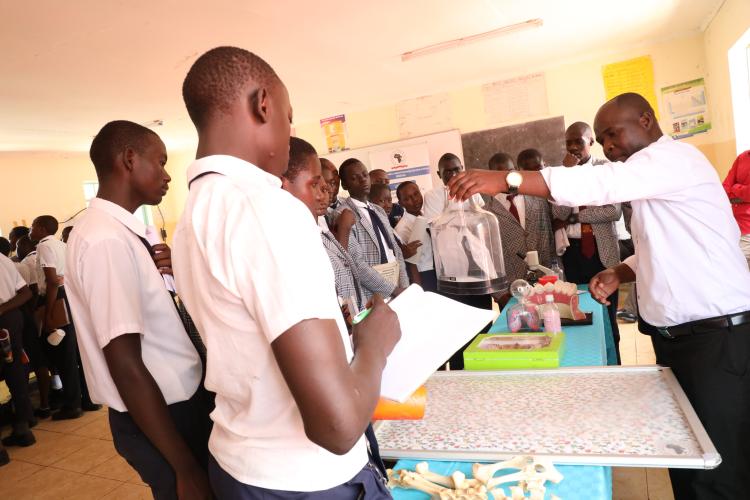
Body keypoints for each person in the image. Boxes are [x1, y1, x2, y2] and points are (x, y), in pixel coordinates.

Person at [448, 92, 750, 499]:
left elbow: (601, 183)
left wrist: (507, 179)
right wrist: (619, 271)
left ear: (645, 120)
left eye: (612, 134)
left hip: (716, 341)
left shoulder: (671, 160)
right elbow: (662, 246)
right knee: (689, 460)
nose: (608, 146)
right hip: (680, 340)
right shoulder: (652, 177)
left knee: (718, 468)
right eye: (604, 139)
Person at [173, 46, 400, 498]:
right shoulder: (266, 208)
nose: (290, 130)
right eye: (288, 116)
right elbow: (336, 426)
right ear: (264, 104)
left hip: (242, 466)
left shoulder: (194, 213)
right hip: (305, 478)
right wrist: (376, 344)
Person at [65, 120, 210, 500]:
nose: (167, 176)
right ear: (129, 159)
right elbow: (126, 364)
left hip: (174, 405)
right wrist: (185, 466)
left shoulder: (121, 234)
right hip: (164, 415)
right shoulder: (104, 240)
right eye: (159, 163)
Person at [552, 121, 622, 361]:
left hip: (603, 254)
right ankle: (588, 362)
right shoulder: (562, 172)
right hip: (573, 253)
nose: (572, 147)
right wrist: (566, 175)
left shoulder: (605, 168)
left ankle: (614, 364)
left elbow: (613, 211)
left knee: (608, 313)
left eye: (578, 142)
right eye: (568, 142)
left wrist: (576, 215)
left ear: (591, 142)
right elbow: (558, 216)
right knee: (579, 312)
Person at [29, 215, 90, 420]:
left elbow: (52, 280)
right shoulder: (62, 245)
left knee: (63, 355)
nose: (30, 231)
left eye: (33, 226)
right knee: (73, 352)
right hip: (68, 294)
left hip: (55, 298)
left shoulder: (44, 246)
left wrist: (48, 313)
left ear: (42, 228)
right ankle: (85, 399)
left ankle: (72, 405)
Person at [335, 158, 410, 295]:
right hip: (372, 294)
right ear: (345, 185)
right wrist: (393, 290)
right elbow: (357, 263)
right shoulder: (343, 214)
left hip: (398, 285)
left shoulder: (379, 210)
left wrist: (404, 286)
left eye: (365, 175)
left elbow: (396, 251)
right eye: (354, 178)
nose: (363, 180)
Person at [14, 235, 53, 417]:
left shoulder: (20, 264)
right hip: (25, 316)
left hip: (14, 317)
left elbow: (32, 292)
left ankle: (23, 413)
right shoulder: (14, 265)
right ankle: (43, 404)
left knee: (15, 366)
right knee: (37, 360)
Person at [0, 253, 36, 449]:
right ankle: (23, 428)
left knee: (15, 372)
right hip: (12, 318)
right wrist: (5, 309)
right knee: (15, 373)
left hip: (4, 318)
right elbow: (25, 292)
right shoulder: (4, 260)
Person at [394, 181, 436, 291]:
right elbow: (410, 263)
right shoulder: (402, 228)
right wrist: (418, 288)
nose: (414, 200)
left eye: (416, 194)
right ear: (401, 203)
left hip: (440, 271)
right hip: (425, 275)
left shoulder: (429, 216)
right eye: (407, 198)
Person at [422, 153, 484, 220]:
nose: (454, 175)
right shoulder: (431, 196)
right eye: (448, 172)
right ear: (439, 174)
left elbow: (482, 216)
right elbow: (434, 226)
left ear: (462, 169)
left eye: (457, 170)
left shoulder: (472, 189)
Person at [723, 150, 750, 268]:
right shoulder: (742, 157)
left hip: (747, 228)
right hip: (734, 225)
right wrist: (741, 191)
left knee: (735, 266)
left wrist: (735, 187)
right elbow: (724, 189)